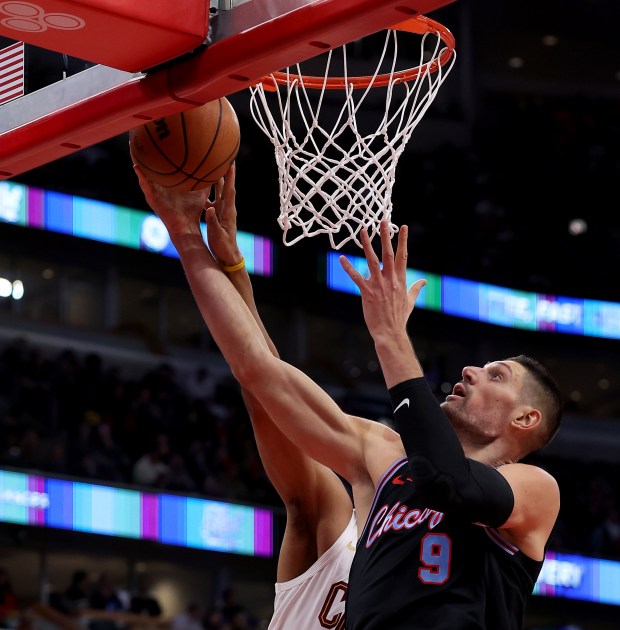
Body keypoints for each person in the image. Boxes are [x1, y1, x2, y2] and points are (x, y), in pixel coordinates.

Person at [135, 164, 562, 629]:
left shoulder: (533, 488)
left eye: (496, 376)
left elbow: (449, 481)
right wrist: (185, 235)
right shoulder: (380, 457)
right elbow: (259, 370)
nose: (470, 371)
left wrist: (390, 337)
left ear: (525, 419)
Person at [135, 163, 367, 629]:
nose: (468, 373)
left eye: (497, 376)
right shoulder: (348, 529)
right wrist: (227, 264)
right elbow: (270, 390)